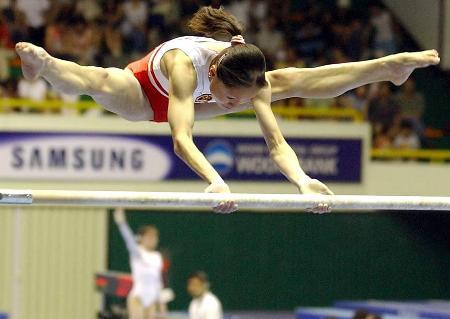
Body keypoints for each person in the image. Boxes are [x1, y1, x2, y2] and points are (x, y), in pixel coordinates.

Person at [15, 6, 440, 214]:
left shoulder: (250, 75)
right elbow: (181, 139)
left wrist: (304, 181)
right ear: (213, 70)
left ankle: (386, 68)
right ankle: (47, 66)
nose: (235, 105)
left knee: (290, 81)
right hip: (148, 95)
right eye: (231, 96)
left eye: (242, 99)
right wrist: (217, 182)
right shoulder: (185, 67)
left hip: (201, 100)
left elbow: (276, 143)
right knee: (103, 81)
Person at [113, 208, 164, 319]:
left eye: (155, 237)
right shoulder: (138, 253)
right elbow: (129, 240)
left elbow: (158, 282)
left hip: (152, 299)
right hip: (138, 297)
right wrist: (122, 223)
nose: (153, 239)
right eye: (150, 237)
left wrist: (162, 306)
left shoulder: (157, 257)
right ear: (141, 238)